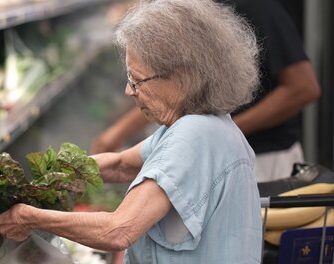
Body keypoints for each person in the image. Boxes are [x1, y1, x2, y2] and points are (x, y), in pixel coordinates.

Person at [0, 0, 264, 264]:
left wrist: (30, 216)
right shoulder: (199, 125)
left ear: (180, 75)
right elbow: (121, 164)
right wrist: (51, 175)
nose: (128, 92)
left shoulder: (195, 136)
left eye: (137, 80)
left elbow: (118, 230)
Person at [90, 0, 321, 183]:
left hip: (264, 161)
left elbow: (303, 88)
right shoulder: (188, 11)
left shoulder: (258, 6)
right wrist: (119, 132)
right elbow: (173, 88)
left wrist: (217, 133)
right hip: (207, 155)